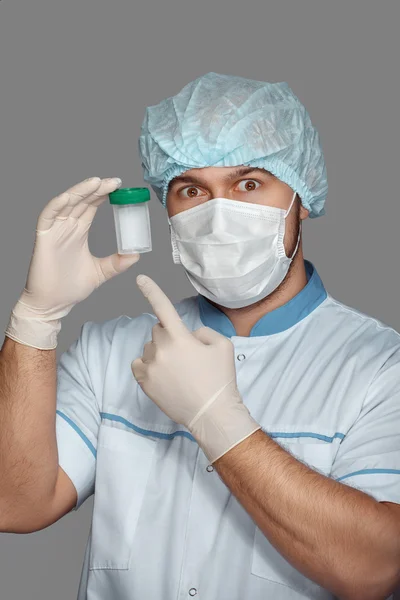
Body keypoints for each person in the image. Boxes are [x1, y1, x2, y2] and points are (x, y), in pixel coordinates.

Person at [0, 72, 399, 600]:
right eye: (191, 190)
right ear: (166, 207)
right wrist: (37, 318)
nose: (218, 213)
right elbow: (14, 503)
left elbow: (375, 570)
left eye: (249, 184)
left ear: (301, 197)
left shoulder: (379, 368)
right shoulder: (110, 352)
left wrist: (218, 421)